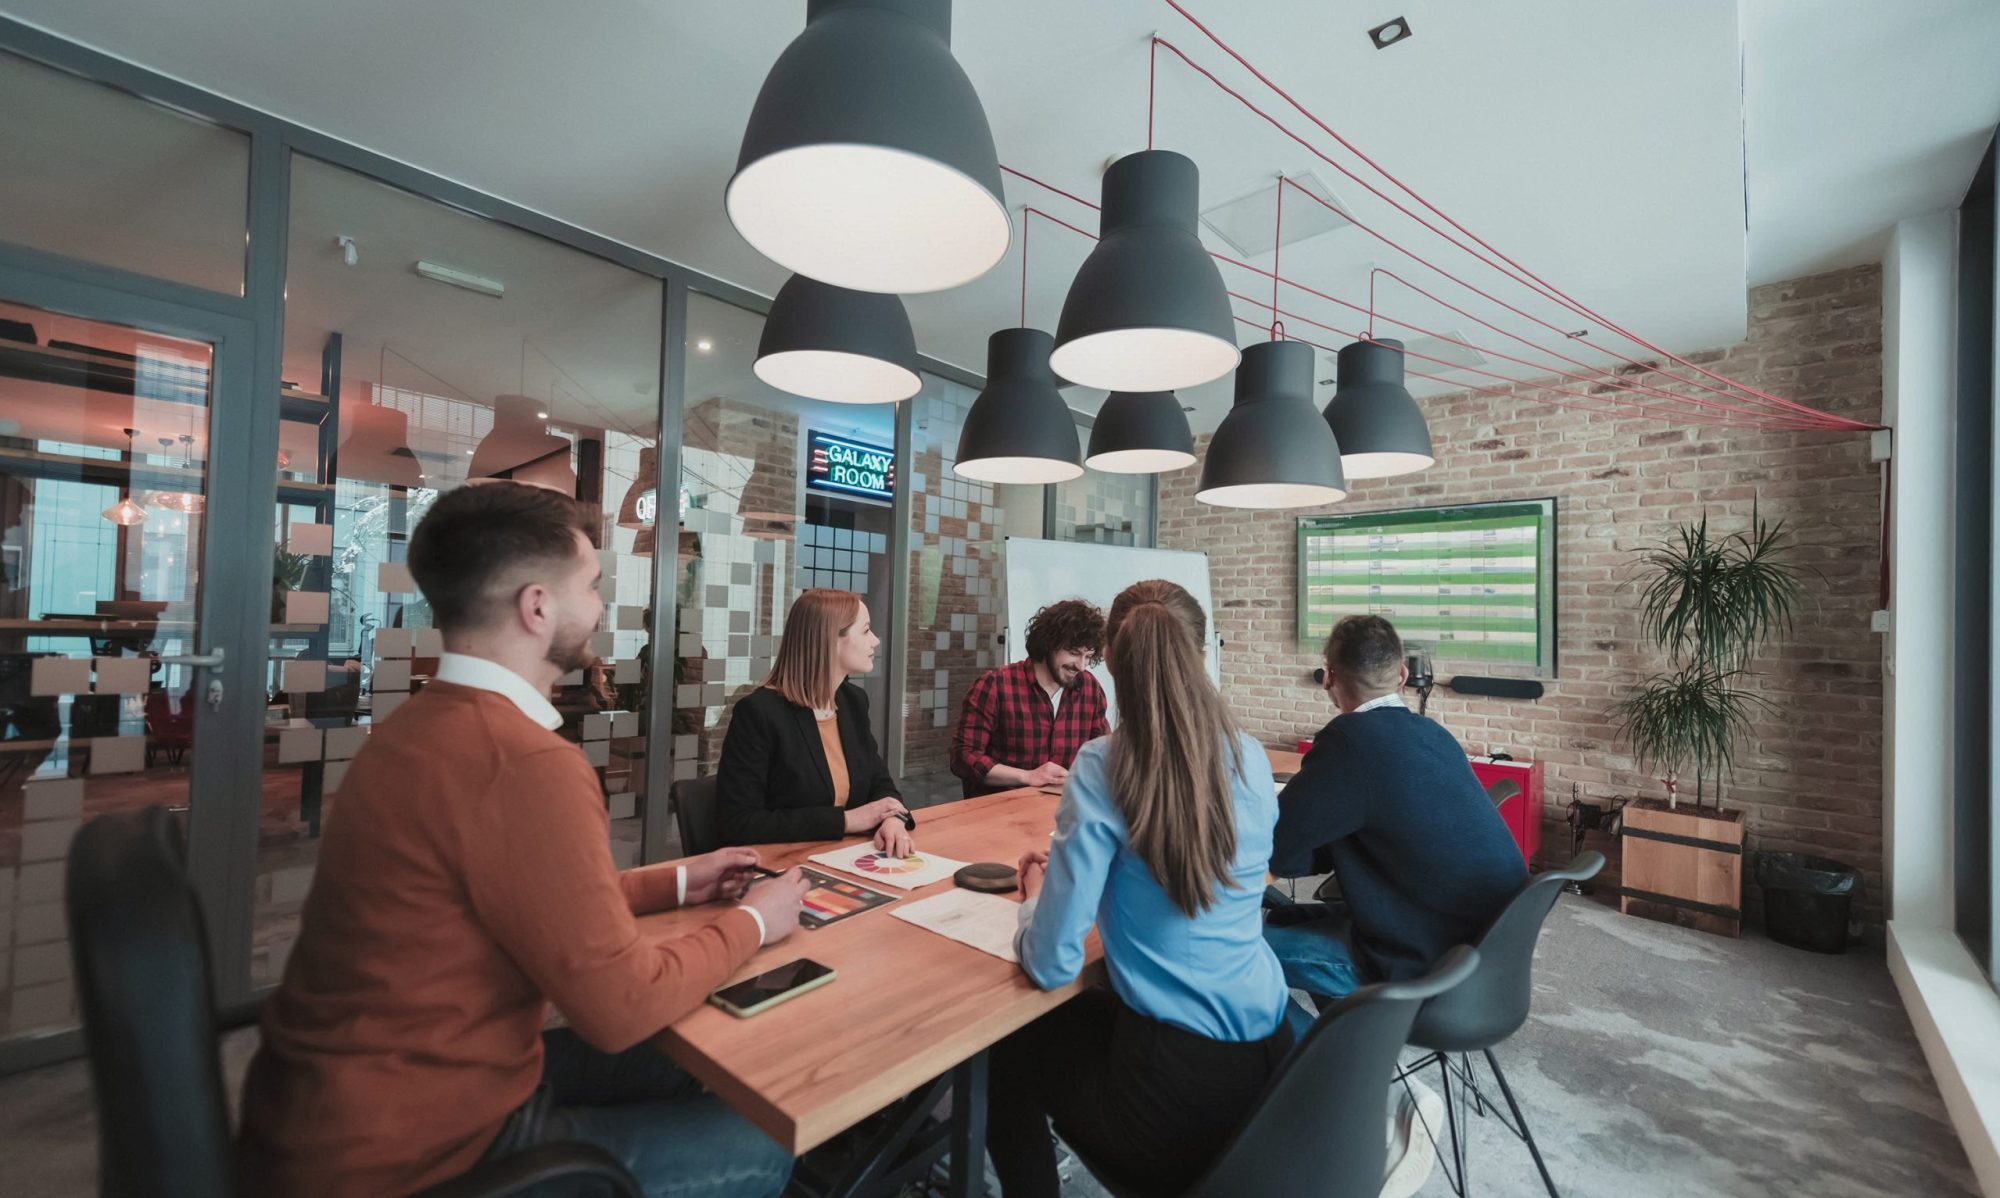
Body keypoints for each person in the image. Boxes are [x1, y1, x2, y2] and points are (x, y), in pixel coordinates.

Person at [237, 482, 806, 1198]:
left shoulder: (414, 729)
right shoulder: (527, 763)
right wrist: (756, 921)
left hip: (331, 1115)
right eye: (593, 586)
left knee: (697, 1062)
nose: (601, 607)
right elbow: (620, 1008)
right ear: (538, 607)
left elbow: (527, 896)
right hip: (420, 1159)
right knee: (768, 1135)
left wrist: (683, 881)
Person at [985, 580, 1292, 1198]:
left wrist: (1037, 893)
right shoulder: (1253, 757)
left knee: (1003, 1049)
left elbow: (1050, 964)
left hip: (1170, 1092)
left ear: (1113, 664)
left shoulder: (1102, 764)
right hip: (1276, 1063)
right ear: (1202, 653)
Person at [1265, 614, 1526, 1011]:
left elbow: (1278, 849)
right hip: (1478, 958)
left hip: (1416, 965)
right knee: (1285, 920)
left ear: (1328, 678)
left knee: (1220, 953)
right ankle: (1347, 1048)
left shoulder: (1348, 741)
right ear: (1403, 675)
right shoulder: (1432, 734)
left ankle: (1314, 1068)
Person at [714, 588, 914, 855]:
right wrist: (847, 821)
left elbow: (879, 782)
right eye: (866, 631)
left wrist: (891, 819)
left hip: (847, 857)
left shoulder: (853, 701)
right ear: (830, 640)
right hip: (782, 866)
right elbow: (738, 823)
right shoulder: (759, 713)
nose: (876, 640)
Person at [950, 598, 1110, 798]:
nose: (1081, 666)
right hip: (1001, 812)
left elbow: (1101, 755)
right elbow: (963, 757)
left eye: (1088, 656)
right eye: (1074, 653)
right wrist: (1027, 776)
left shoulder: (1090, 689)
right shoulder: (996, 685)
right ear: (1048, 644)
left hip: (1064, 812)